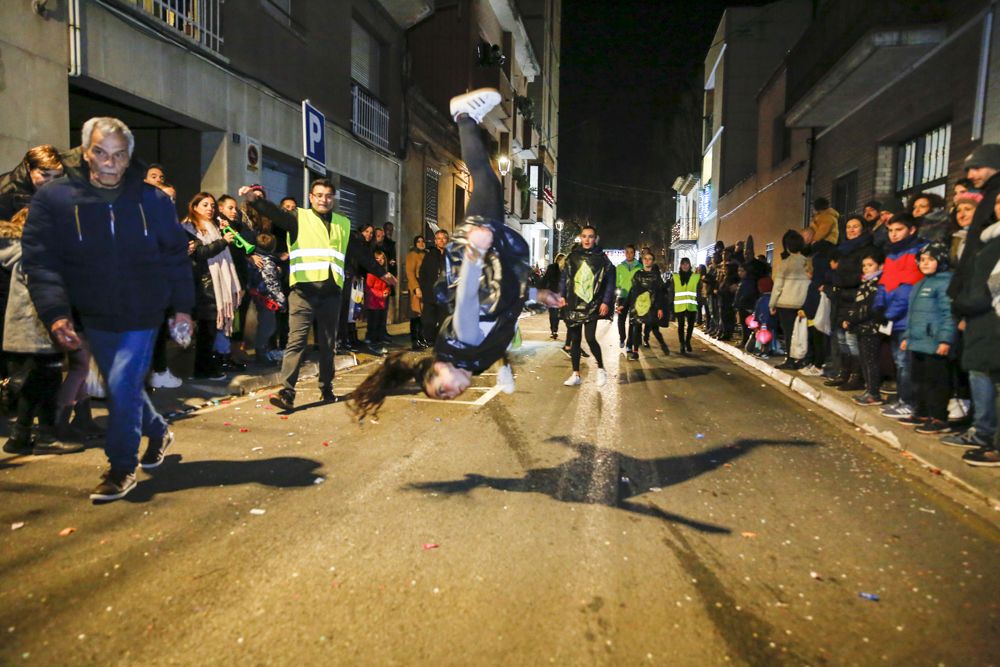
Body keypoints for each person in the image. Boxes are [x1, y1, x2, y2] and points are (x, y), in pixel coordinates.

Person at [348, 88, 563, 419]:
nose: (449, 395)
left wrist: (475, 251)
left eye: (441, 390)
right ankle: (466, 118)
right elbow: (500, 308)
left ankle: (464, 116)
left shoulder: (463, 341)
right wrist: (538, 297)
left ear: (439, 368)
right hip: (488, 264)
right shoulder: (469, 362)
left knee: (487, 182)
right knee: (488, 183)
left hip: (479, 254)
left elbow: (468, 298)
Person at [22, 116, 194, 501]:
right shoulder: (56, 199)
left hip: (143, 311)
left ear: (129, 156)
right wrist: (55, 313)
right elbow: (41, 261)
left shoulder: (153, 201)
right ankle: (158, 431)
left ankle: (121, 467)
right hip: (93, 312)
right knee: (123, 385)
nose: (109, 163)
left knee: (121, 383)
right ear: (86, 153)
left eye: (118, 155)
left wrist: (182, 308)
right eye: (100, 153)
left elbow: (175, 256)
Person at [242, 179, 396, 411]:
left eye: (328, 196)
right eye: (319, 195)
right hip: (303, 293)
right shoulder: (298, 217)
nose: (324, 200)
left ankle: (326, 387)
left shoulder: (343, 223)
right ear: (311, 197)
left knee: (327, 344)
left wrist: (382, 273)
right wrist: (256, 200)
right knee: (296, 342)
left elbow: (360, 253)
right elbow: (275, 213)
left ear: (333, 199)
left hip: (331, 294)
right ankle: (287, 391)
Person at [1, 207, 85, 455]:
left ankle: (20, 437)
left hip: (28, 328)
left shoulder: (26, 251)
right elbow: (45, 288)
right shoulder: (35, 253)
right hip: (36, 328)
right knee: (45, 382)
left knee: (35, 384)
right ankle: (45, 437)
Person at [182, 192, 242, 380]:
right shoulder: (190, 227)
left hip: (212, 285)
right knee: (206, 330)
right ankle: (202, 370)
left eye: (212, 205)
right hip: (203, 284)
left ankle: (206, 367)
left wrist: (224, 233)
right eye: (205, 205)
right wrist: (223, 242)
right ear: (195, 207)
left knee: (210, 329)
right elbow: (199, 253)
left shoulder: (213, 226)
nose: (210, 209)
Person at [898, 242, 956, 434]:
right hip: (918, 341)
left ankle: (939, 418)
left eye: (930, 259)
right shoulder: (920, 283)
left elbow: (949, 313)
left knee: (936, 382)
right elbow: (913, 316)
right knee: (919, 379)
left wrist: (945, 340)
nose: (924, 263)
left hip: (934, 342)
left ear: (941, 261)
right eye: (922, 260)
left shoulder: (945, 282)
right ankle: (921, 412)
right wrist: (907, 337)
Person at [875, 213, 925, 420]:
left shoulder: (916, 252)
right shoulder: (892, 253)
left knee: (906, 363)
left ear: (911, 230)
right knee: (899, 360)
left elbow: (907, 288)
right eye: (890, 230)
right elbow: (884, 282)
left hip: (907, 318)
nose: (893, 234)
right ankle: (903, 400)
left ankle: (909, 403)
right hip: (893, 318)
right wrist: (878, 306)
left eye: (899, 230)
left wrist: (888, 313)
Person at [561, 225, 615, 387]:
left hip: (592, 304)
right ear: (580, 237)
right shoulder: (573, 257)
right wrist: (561, 295)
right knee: (575, 339)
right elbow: (564, 278)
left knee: (590, 338)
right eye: (584, 236)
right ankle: (575, 374)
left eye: (590, 236)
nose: (587, 239)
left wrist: (606, 301)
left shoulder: (602, 258)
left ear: (595, 239)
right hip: (573, 303)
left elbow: (610, 282)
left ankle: (601, 369)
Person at [826, 215, 873, 387]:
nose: (851, 230)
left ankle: (856, 376)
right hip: (840, 298)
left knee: (852, 338)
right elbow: (832, 273)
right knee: (841, 338)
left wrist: (840, 279)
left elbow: (861, 276)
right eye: (848, 227)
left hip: (856, 298)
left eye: (855, 226)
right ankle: (844, 372)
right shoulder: (842, 249)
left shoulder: (867, 249)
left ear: (863, 228)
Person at [843, 249, 886, 406]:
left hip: (871, 328)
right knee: (865, 360)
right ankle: (870, 390)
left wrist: (852, 320)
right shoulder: (867, 282)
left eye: (870, 265)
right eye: (864, 265)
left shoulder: (878, 284)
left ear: (880, 265)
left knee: (870, 361)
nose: (866, 268)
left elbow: (869, 308)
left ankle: (874, 393)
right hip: (862, 327)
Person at [769, 229, 810, 370]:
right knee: (802, 332)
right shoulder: (807, 263)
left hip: (786, 304)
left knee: (789, 333)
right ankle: (803, 358)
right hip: (803, 303)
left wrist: (772, 303)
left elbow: (778, 286)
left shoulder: (785, 264)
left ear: (787, 247)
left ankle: (790, 359)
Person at [246, 232, 286, 365]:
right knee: (268, 326)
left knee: (265, 325)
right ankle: (261, 354)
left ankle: (263, 351)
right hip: (267, 298)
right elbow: (272, 284)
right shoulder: (268, 263)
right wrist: (282, 301)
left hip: (259, 296)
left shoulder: (255, 259)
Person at [0, 145, 64, 221]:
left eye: (57, 177)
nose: (51, 182)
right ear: (29, 168)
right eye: (45, 175)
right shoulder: (5, 192)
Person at [624, 249, 667, 360]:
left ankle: (662, 344)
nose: (647, 261)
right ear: (642, 260)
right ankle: (635, 352)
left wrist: (660, 308)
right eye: (645, 259)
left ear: (653, 261)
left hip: (652, 306)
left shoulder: (656, 276)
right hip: (639, 306)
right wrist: (624, 305)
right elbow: (632, 291)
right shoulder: (637, 274)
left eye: (650, 259)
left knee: (654, 327)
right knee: (636, 327)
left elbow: (660, 293)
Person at [418, 228, 449, 345]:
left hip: (445, 293)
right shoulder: (429, 255)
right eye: (438, 239)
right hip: (430, 292)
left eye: (444, 238)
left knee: (444, 318)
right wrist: (424, 288)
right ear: (435, 241)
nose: (441, 241)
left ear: (447, 240)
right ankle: (430, 339)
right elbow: (423, 273)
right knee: (428, 320)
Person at [405, 234, 429, 350]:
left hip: (425, 285)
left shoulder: (426, 254)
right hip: (416, 286)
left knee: (422, 315)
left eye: (422, 241)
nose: (421, 243)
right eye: (418, 241)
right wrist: (416, 287)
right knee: (415, 314)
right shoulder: (412, 255)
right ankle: (415, 341)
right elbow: (410, 273)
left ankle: (421, 338)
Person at [363, 249, 391, 351]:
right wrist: (380, 294)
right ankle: (371, 341)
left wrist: (387, 291)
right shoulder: (371, 274)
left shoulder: (385, 273)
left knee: (380, 323)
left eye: (382, 259)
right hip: (373, 303)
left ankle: (378, 341)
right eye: (377, 259)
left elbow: (388, 285)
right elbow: (368, 288)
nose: (380, 261)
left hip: (381, 303)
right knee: (373, 324)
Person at [615, 245, 641, 348]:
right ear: (625, 253)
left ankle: (630, 343)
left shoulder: (639, 267)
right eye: (627, 252)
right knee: (621, 320)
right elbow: (617, 282)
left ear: (634, 254)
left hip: (635, 297)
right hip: (623, 296)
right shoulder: (620, 267)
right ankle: (622, 338)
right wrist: (617, 293)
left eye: (631, 252)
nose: (629, 254)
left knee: (632, 321)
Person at [672, 258, 699, 353]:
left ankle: (688, 341)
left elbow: (699, 290)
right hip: (680, 305)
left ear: (689, 265)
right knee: (681, 325)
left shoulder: (695, 277)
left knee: (691, 325)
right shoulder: (675, 277)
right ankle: (682, 343)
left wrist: (699, 302)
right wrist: (671, 305)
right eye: (683, 264)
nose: (685, 266)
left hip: (691, 305)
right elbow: (671, 291)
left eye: (687, 264)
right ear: (680, 265)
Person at [541, 253, 565, 340]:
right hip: (555, 293)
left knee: (554, 313)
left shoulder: (563, 268)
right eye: (560, 259)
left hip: (556, 293)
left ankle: (554, 330)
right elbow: (545, 279)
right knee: (554, 313)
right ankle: (554, 330)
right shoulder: (555, 267)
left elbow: (545, 280)